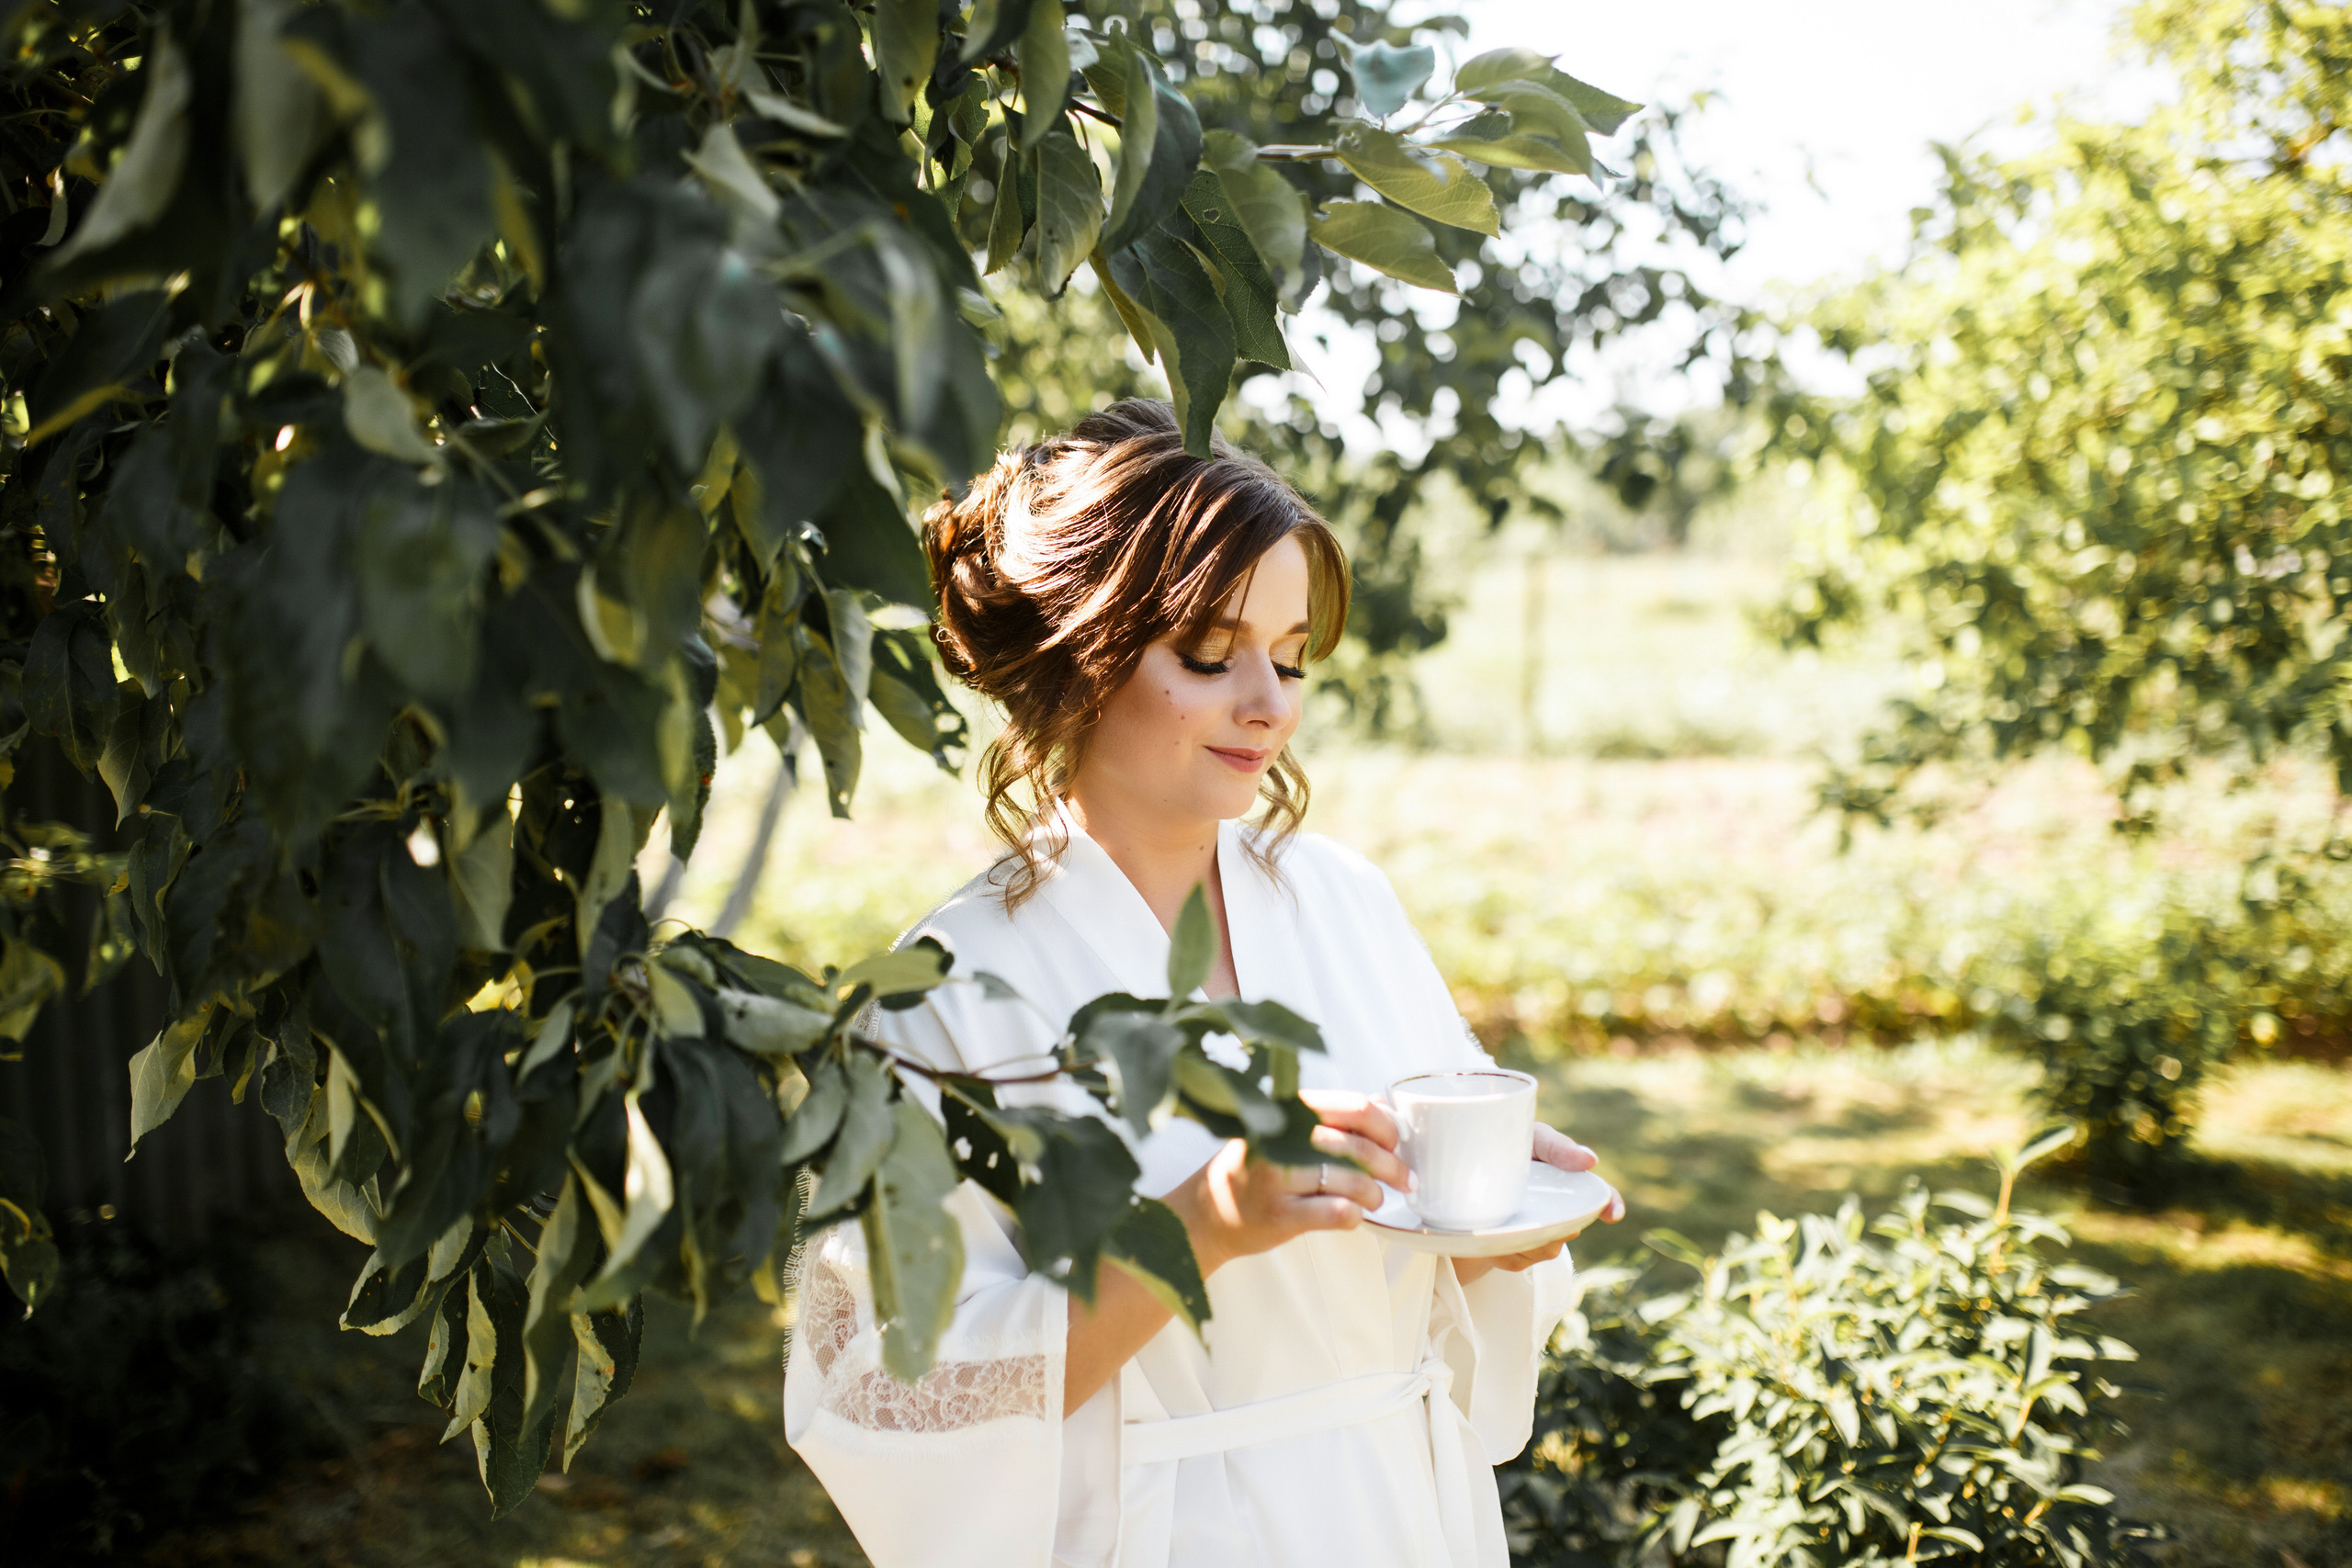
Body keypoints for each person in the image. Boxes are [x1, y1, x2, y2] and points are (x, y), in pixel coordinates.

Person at [783, 400, 1624, 1568]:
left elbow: (1433, 1243)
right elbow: (890, 1396)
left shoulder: (1344, 902)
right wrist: (1201, 1227)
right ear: (1083, 648)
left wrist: (1496, 1230)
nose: (1270, 703)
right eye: (1209, 653)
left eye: (1288, 657)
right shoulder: (941, 999)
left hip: (1406, 1513)